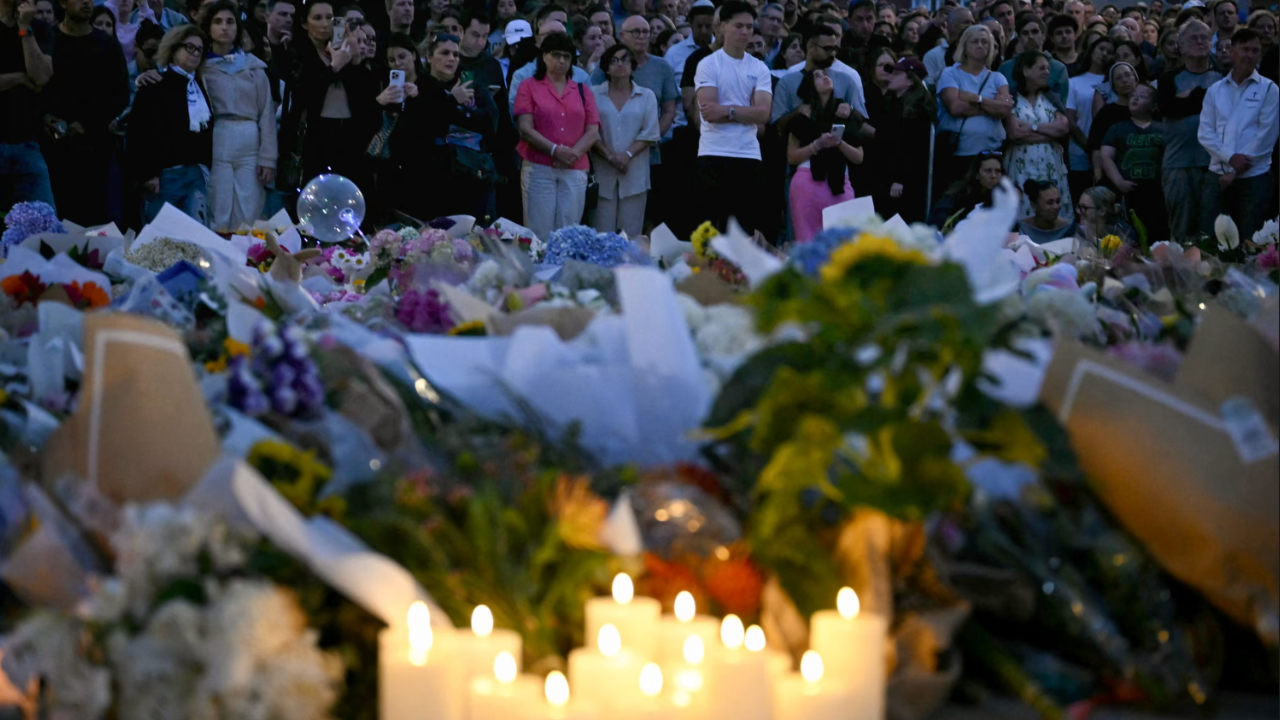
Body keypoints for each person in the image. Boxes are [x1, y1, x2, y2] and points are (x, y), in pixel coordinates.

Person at [378, 33, 497, 221]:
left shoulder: (465, 84)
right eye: (445, 53)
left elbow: (489, 121)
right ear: (429, 57)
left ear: (413, 56)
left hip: (458, 169)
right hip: (407, 169)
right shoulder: (390, 85)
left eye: (455, 54)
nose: (451, 59)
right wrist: (381, 103)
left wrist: (452, 104)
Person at [43, 0, 129, 226]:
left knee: (102, 225)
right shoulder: (50, 40)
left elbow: (120, 95)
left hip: (97, 150)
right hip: (54, 149)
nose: (86, 3)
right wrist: (47, 118)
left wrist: (87, 123)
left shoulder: (107, 44)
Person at [693, 0, 772, 236]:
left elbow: (763, 113)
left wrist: (727, 111)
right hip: (714, 151)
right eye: (739, 26)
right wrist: (745, 112)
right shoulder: (708, 64)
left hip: (748, 153)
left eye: (749, 26)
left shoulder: (759, 68)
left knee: (743, 231)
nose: (745, 32)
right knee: (713, 230)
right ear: (722, 26)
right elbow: (709, 112)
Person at [282, 2, 380, 189]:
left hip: (349, 134)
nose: (325, 24)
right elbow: (303, 93)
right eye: (317, 18)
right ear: (305, 23)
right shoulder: (298, 51)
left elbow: (366, 98)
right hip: (314, 135)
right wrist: (333, 68)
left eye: (329, 18)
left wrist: (356, 61)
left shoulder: (344, 48)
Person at [514, 32, 599, 241]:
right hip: (539, 166)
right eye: (556, 54)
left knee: (568, 234)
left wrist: (572, 154)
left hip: (575, 167)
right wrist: (555, 151)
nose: (561, 60)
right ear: (544, 56)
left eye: (566, 56)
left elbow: (592, 131)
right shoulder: (528, 86)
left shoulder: (582, 90)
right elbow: (525, 128)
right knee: (538, 233)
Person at [200, 0, 276, 231]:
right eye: (218, 22)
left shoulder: (254, 67)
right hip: (219, 137)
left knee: (249, 209)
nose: (224, 27)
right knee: (218, 204)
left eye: (230, 22)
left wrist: (268, 158)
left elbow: (267, 114)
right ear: (209, 28)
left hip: (250, 138)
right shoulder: (201, 68)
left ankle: (247, 252)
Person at [1199, 28, 1279, 242]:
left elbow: (1266, 136)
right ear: (1232, 51)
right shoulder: (1215, 90)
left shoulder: (1269, 89)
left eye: (1255, 51)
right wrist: (1230, 158)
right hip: (1217, 176)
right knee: (1211, 242)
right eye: (1245, 49)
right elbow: (1205, 133)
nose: (1250, 55)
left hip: (1254, 178)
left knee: (1250, 243)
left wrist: (1236, 169)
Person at [127, 24, 212, 223]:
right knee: (163, 236)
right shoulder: (154, 83)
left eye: (199, 50)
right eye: (189, 47)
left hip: (195, 174)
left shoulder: (199, 86)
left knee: (196, 235)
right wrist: (148, 174)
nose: (195, 53)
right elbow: (139, 133)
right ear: (173, 48)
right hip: (164, 177)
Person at [1157, 19, 1221, 240]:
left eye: (1204, 37)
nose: (1200, 41)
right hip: (1178, 163)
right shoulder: (1168, 79)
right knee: (1181, 231)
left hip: (1214, 165)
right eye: (1193, 38)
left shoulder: (1223, 78)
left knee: (1212, 233)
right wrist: (1205, 97)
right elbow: (1169, 108)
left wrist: (1190, 97)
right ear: (1181, 46)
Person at [935, 24, 1013, 202]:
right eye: (975, 41)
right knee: (959, 200)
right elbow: (955, 108)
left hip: (991, 152)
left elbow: (1005, 110)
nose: (980, 45)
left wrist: (976, 99)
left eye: (985, 42)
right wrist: (992, 105)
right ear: (965, 46)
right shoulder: (950, 73)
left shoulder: (998, 78)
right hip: (959, 153)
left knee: (990, 202)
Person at [785, 68, 864, 240]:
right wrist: (817, 145)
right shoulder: (803, 116)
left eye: (825, 75)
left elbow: (859, 157)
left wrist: (840, 143)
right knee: (807, 242)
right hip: (807, 180)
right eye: (817, 76)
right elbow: (791, 157)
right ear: (809, 86)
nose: (825, 77)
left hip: (839, 181)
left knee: (845, 242)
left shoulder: (844, 113)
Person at [591, 43, 660, 237]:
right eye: (614, 60)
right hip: (603, 173)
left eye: (625, 60)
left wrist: (627, 155)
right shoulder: (593, 94)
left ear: (632, 66)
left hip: (635, 174)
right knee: (601, 235)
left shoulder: (647, 96)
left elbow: (650, 133)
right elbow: (590, 131)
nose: (620, 64)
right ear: (606, 67)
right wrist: (610, 156)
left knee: (630, 237)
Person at [1004, 51, 1073, 220]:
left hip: (1051, 165)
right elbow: (1015, 133)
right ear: (1026, 70)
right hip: (1021, 166)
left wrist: (1032, 127)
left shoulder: (1051, 98)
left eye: (1048, 68)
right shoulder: (1011, 99)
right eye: (1042, 68)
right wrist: (1049, 133)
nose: (1047, 72)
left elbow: (1063, 127)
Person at [1100, 82, 1166, 239]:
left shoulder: (1163, 128)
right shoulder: (1118, 128)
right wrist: (1119, 182)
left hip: (1159, 192)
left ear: (1154, 106)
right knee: (1131, 235)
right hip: (1129, 191)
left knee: (1159, 234)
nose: (1135, 98)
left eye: (1142, 96)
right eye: (1133, 95)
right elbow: (1106, 156)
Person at [871, 57, 933, 222]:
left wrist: (900, 179)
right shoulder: (894, 103)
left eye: (897, 73)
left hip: (901, 183)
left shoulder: (917, 111)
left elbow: (913, 148)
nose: (890, 76)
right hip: (885, 175)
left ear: (911, 80)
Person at [509, 17, 592, 117]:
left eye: (561, 35)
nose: (557, 40)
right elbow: (517, 115)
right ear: (538, 40)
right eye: (551, 35)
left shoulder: (582, 77)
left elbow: (591, 114)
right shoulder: (522, 75)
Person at [999, 13, 1069, 100]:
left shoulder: (1058, 68)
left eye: (1035, 32)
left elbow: (1061, 103)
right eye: (1025, 33)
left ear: (1043, 35)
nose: (1030, 36)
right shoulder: (1006, 68)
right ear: (1019, 39)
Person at [1087, 61, 1136, 182]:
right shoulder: (1106, 113)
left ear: (1136, 78)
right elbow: (1096, 147)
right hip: (1113, 176)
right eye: (1118, 78)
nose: (1125, 80)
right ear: (1113, 85)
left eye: (1128, 75)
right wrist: (1098, 176)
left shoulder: (1149, 109)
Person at [928, 151, 1004, 229]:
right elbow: (938, 216)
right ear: (977, 174)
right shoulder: (960, 192)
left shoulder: (1004, 197)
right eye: (988, 171)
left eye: (998, 171)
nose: (993, 176)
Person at [925, 7, 972, 88]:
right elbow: (928, 85)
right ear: (951, 25)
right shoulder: (932, 55)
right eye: (966, 22)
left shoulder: (975, 52)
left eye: (973, 23)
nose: (970, 26)